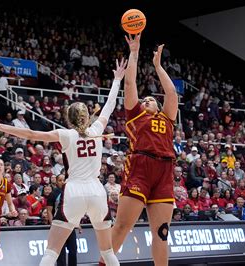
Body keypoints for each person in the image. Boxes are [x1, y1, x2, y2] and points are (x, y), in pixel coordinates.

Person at [0, 58, 127, 266]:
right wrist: (116, 80)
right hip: (97, 191)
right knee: (108, 253)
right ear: (87, 116)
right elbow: (109, 106)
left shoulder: (66, 134)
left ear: (69, 118)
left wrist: (2, 127)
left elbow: (31, 133)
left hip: (74, 191)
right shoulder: (97, 130)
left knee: (51, 253)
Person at [108, 34, 179, 266]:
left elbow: (171, 93)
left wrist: (158, 66)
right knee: (121, 227)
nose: (146, 100)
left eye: (150, 99)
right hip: (140, 166)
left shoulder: (168, 117)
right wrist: (135, 52)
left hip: (165, 169)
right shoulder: (135, 114)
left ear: (158, 106)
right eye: (144, 99)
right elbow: (130, 84)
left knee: (162, 234)